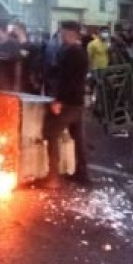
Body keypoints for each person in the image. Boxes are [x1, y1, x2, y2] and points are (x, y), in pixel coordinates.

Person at [35, 21, 90, 189]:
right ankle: (83, 174)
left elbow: (67, 80)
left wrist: (58, 100)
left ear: (69, 34)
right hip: (78, 101)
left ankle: (53, 178)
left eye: (63, 33)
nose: (61, 36)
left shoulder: (70, 53)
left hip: (68, 103)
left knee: (51, 132)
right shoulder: (81, 53)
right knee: (78, 138)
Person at [0, 19, 20, 91]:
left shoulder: (13, 44)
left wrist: (17, 84)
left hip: (9, 81)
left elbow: (18, 65)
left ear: (3, 30)